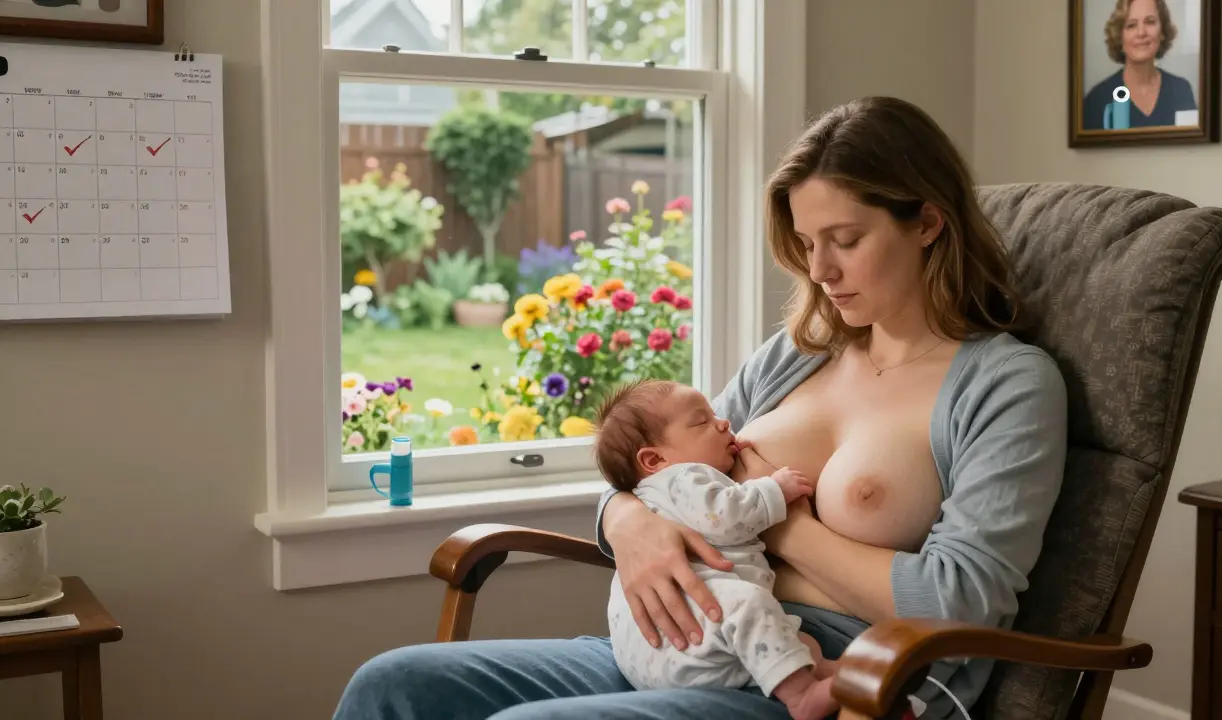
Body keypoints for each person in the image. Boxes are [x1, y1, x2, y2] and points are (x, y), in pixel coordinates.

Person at [332, 96, 1069, 720]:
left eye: (846, 240)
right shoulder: (798, 354)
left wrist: (779, 522)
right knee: (391, 687)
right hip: (667, 647)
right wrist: (628, 521)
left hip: (818, 679)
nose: (820, 270)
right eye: (809, 243)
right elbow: (657, 470)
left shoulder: (1004, 385)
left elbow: (961, 602)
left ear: (928, 224)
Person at [593, 378, 835, 720]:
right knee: (750, 606)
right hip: (692, 625)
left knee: (795, 643)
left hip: (656, 653)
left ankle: (831, 677)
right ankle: (802, 696)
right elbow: (725, 517)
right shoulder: (681, 477)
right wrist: (773, 489)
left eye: (715, 415)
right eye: (702, 422)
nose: (724, 423)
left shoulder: (654, 492)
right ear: (654, 459)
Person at [1082, 0, 1197, 130]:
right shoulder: (1098, 99)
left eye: (1150, 22)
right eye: (1131, 25)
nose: (1141, 33)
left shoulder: (1181, 90)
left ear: (1162, 32)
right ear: (1119, 36)